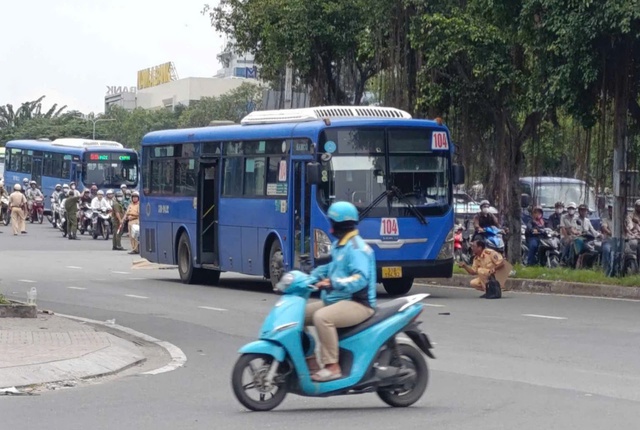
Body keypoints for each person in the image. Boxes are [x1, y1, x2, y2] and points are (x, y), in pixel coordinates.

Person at [304, 201, 376, 382]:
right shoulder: (339, 246)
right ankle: (310, 361)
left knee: (322, 317)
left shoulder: (356, 248)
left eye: (332, 223)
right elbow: (329, 269)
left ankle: (332, 366)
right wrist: (307, 278)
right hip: (338, 299)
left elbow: (360, 279)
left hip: (358, 303)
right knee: (299, 314)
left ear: (339, 225)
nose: (330, 227)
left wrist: (334, 283)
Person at [560, 202, 581, 266]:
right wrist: (567, 237)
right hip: (564, 236)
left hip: (575, 237)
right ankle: (563, 259)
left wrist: (574, 232)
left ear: (575, 209)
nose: (571, 210)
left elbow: (578, 230)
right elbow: (563, 228)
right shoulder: (563, 217)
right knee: (569, 242)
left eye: (572, 208)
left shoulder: (577, 218)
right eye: (570, 208)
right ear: (567, 209)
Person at [600, 203, 613, 275]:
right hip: (608, 240)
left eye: (612, 209)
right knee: (606, 250)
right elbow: (604, 228)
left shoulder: (620, 220)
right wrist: (611, 233)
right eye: (610, 209)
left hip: (618, 241)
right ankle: (605, 271)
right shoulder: (605, 220)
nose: (611, 211)